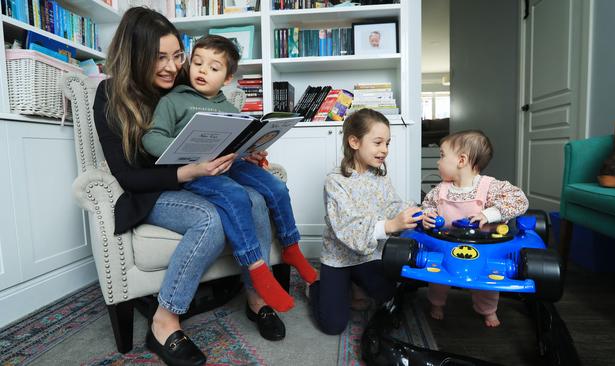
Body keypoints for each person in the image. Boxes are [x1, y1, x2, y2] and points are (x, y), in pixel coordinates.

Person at [94, 8, 283, 366]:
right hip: (152, 190)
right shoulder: (110, 95)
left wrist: (245, 153)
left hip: (204, 180)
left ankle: (256, 297)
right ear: (136, 56)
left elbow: (218, 139)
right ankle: (164, 322)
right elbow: (128, 176)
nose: (171, 66)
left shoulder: (191, 84)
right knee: (209, 219)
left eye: (177, 55)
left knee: (256, 198)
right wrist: (188, 172)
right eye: (159, 57)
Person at [142, 35, 317, 314]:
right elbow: (151, 139)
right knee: (236, 195)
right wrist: (181, 151)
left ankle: (291, 246)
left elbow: (236, 147)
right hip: (198, 170)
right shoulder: (173, 101)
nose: (202, 71)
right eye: (197, 63)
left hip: (232, 163)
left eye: (213, 68)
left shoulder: (230, 108)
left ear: (226, 78)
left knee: (276, 187)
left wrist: (251, 151)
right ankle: (256, 266)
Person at [308, 108, 422, 335]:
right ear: (354, 142)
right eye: (378, 142)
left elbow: (391, 205)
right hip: (339, 259)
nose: (385, 150)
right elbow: (347, 227)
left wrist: (414, 213)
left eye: (387, 143)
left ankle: (357, 284)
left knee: (392, 294)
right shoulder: (335, 181)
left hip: (368, 256)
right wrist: (390, 226)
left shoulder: (379, 176)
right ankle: (317, 288)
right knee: (333, 326)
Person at [420, 130, 529, 327]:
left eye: (442, 156)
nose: (438, 162)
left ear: (461, 160)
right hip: (446, 246)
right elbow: (427, 205)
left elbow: (520, 200)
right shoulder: (441, 189)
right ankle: (437, 304)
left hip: (484, 248)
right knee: (436, 276)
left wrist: (489, 214)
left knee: (486, 281)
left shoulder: (489, 186)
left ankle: (488, 311)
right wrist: (429, 215)